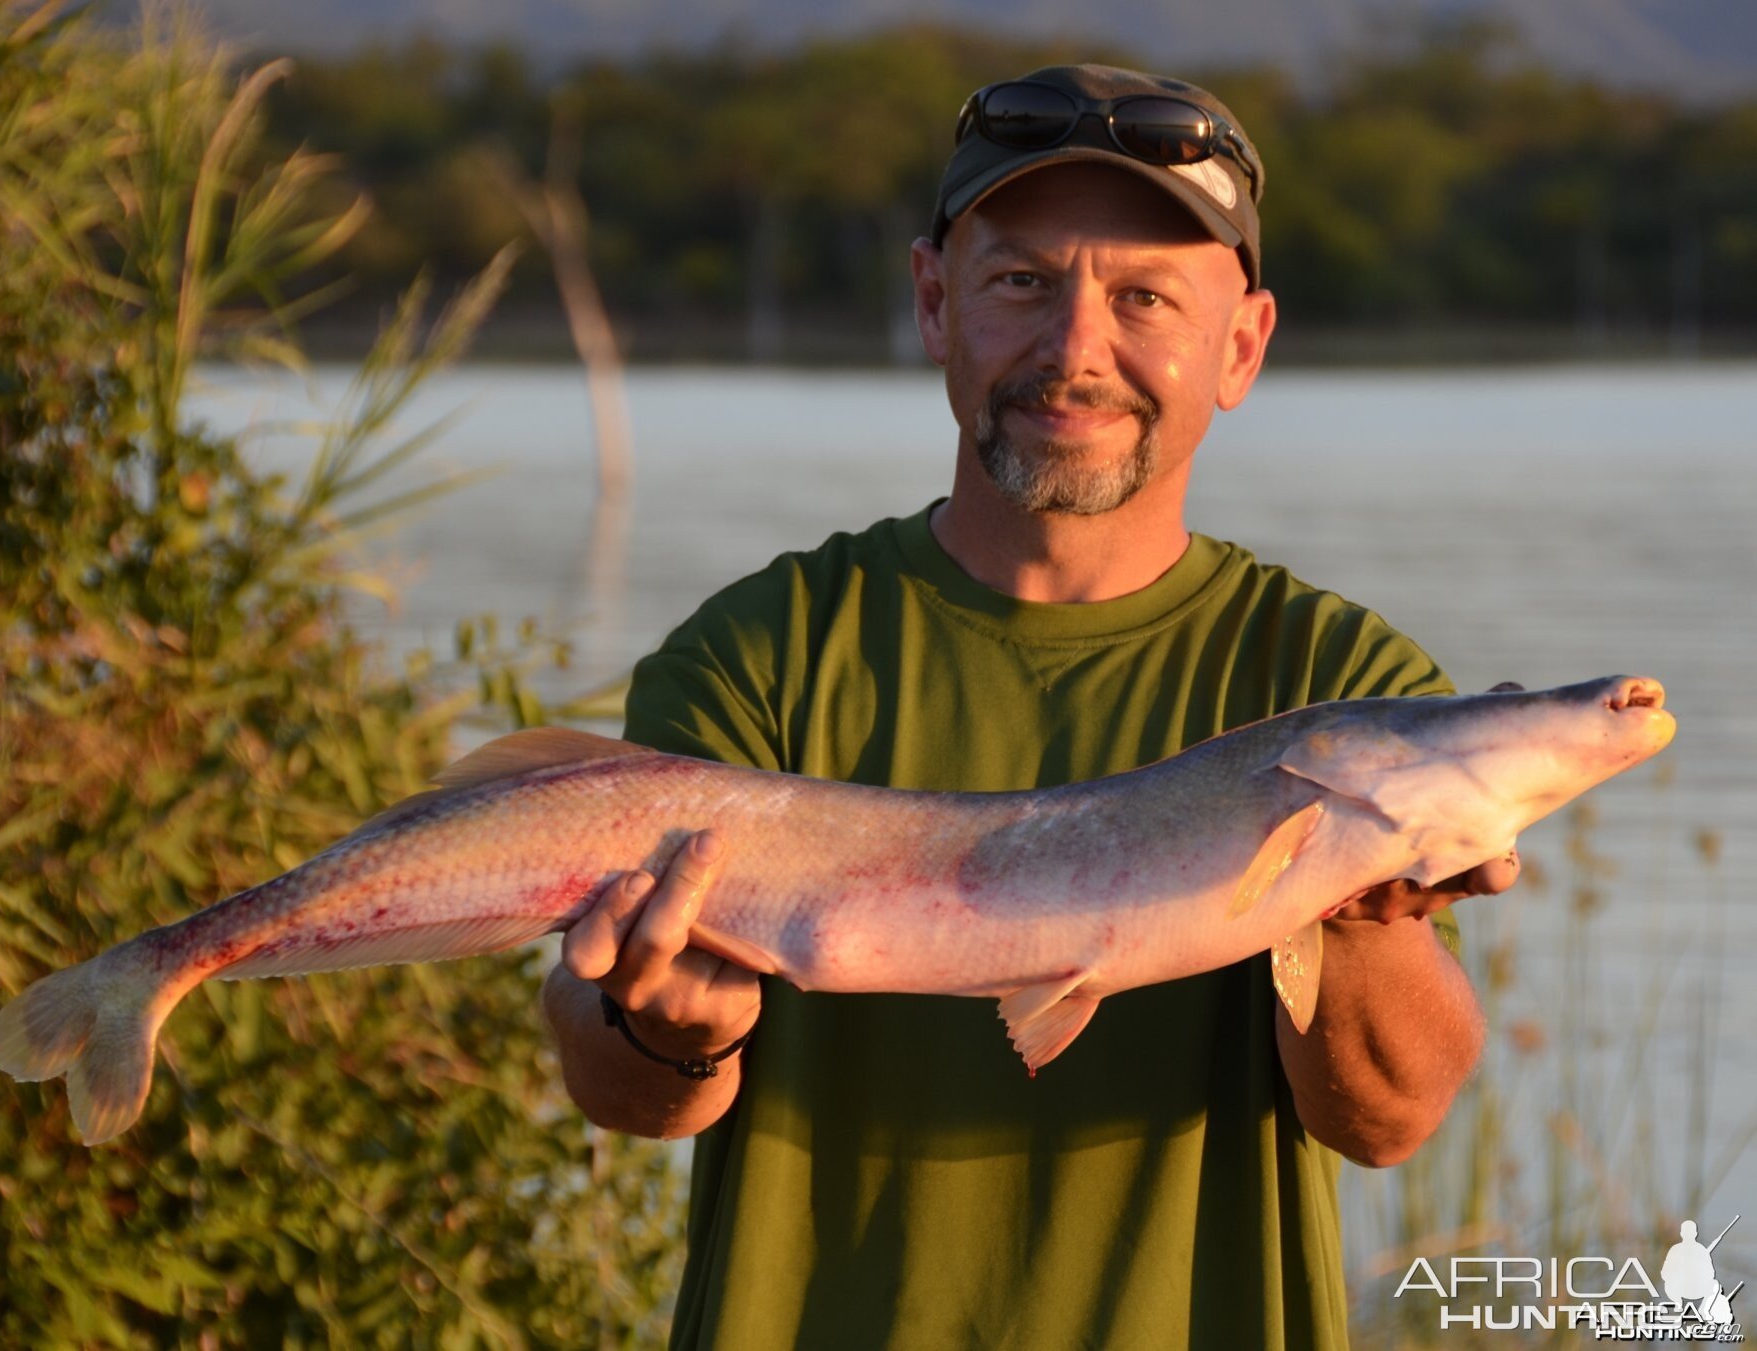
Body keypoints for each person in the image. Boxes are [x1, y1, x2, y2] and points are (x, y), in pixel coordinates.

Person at [542, 62, 1519, 1350]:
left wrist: (1374, 920)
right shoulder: (761, 653)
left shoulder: (1339, 685)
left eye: (1145, 297)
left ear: (1242, 346)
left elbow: (1388, 1121)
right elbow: (627, 1092)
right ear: (936, 302)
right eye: (1021, 283)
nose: (1075, 352)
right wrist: (666, 1032)